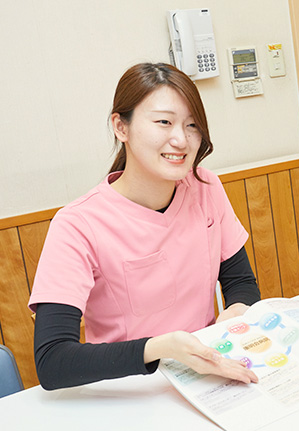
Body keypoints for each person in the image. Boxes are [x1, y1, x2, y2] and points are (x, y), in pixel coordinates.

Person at [28, 62, 260, 390]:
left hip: (208, 377)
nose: (181, 139)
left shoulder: (206, 187)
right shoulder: (77, 225)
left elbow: (241, 282)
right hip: (125, 391)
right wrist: (161, 349)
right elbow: (52, 361)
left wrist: (235, 314)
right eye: (164, 122)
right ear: (121, 127)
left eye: (192, 125)